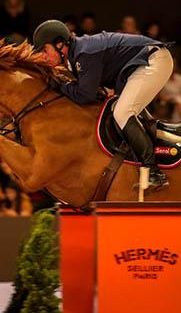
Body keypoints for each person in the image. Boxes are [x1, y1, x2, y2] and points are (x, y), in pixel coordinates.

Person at [33, 19, 173, 189]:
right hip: (145, 62)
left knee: (122, 113)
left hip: (153, 60)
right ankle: (157, 152)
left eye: (44, 50)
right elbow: (93, 92)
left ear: (60, 44)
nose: (42, 57)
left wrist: (60, 85)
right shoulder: (77, 55)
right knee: (119, 109)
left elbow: (85, 95)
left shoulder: (84, 53)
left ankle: (153, 171)